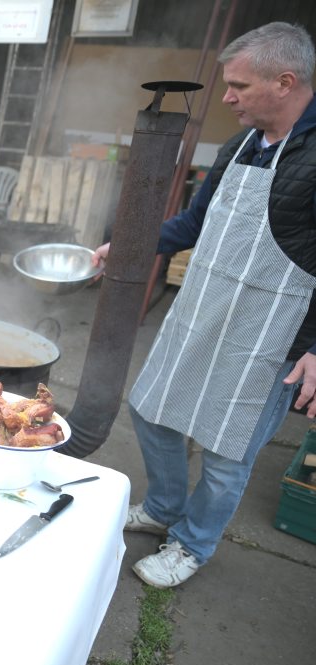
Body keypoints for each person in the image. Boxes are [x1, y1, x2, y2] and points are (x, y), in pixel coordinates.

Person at [93, 22, 316, 588]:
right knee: (151, 407)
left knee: (226, 450)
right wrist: (132, 244)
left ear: (285, 82)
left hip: (273, 330)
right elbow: (196, 221)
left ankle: (193, 543)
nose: (227, 97)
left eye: (239, 86)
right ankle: (166, 506)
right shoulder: (242, 143)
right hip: (205, 309)